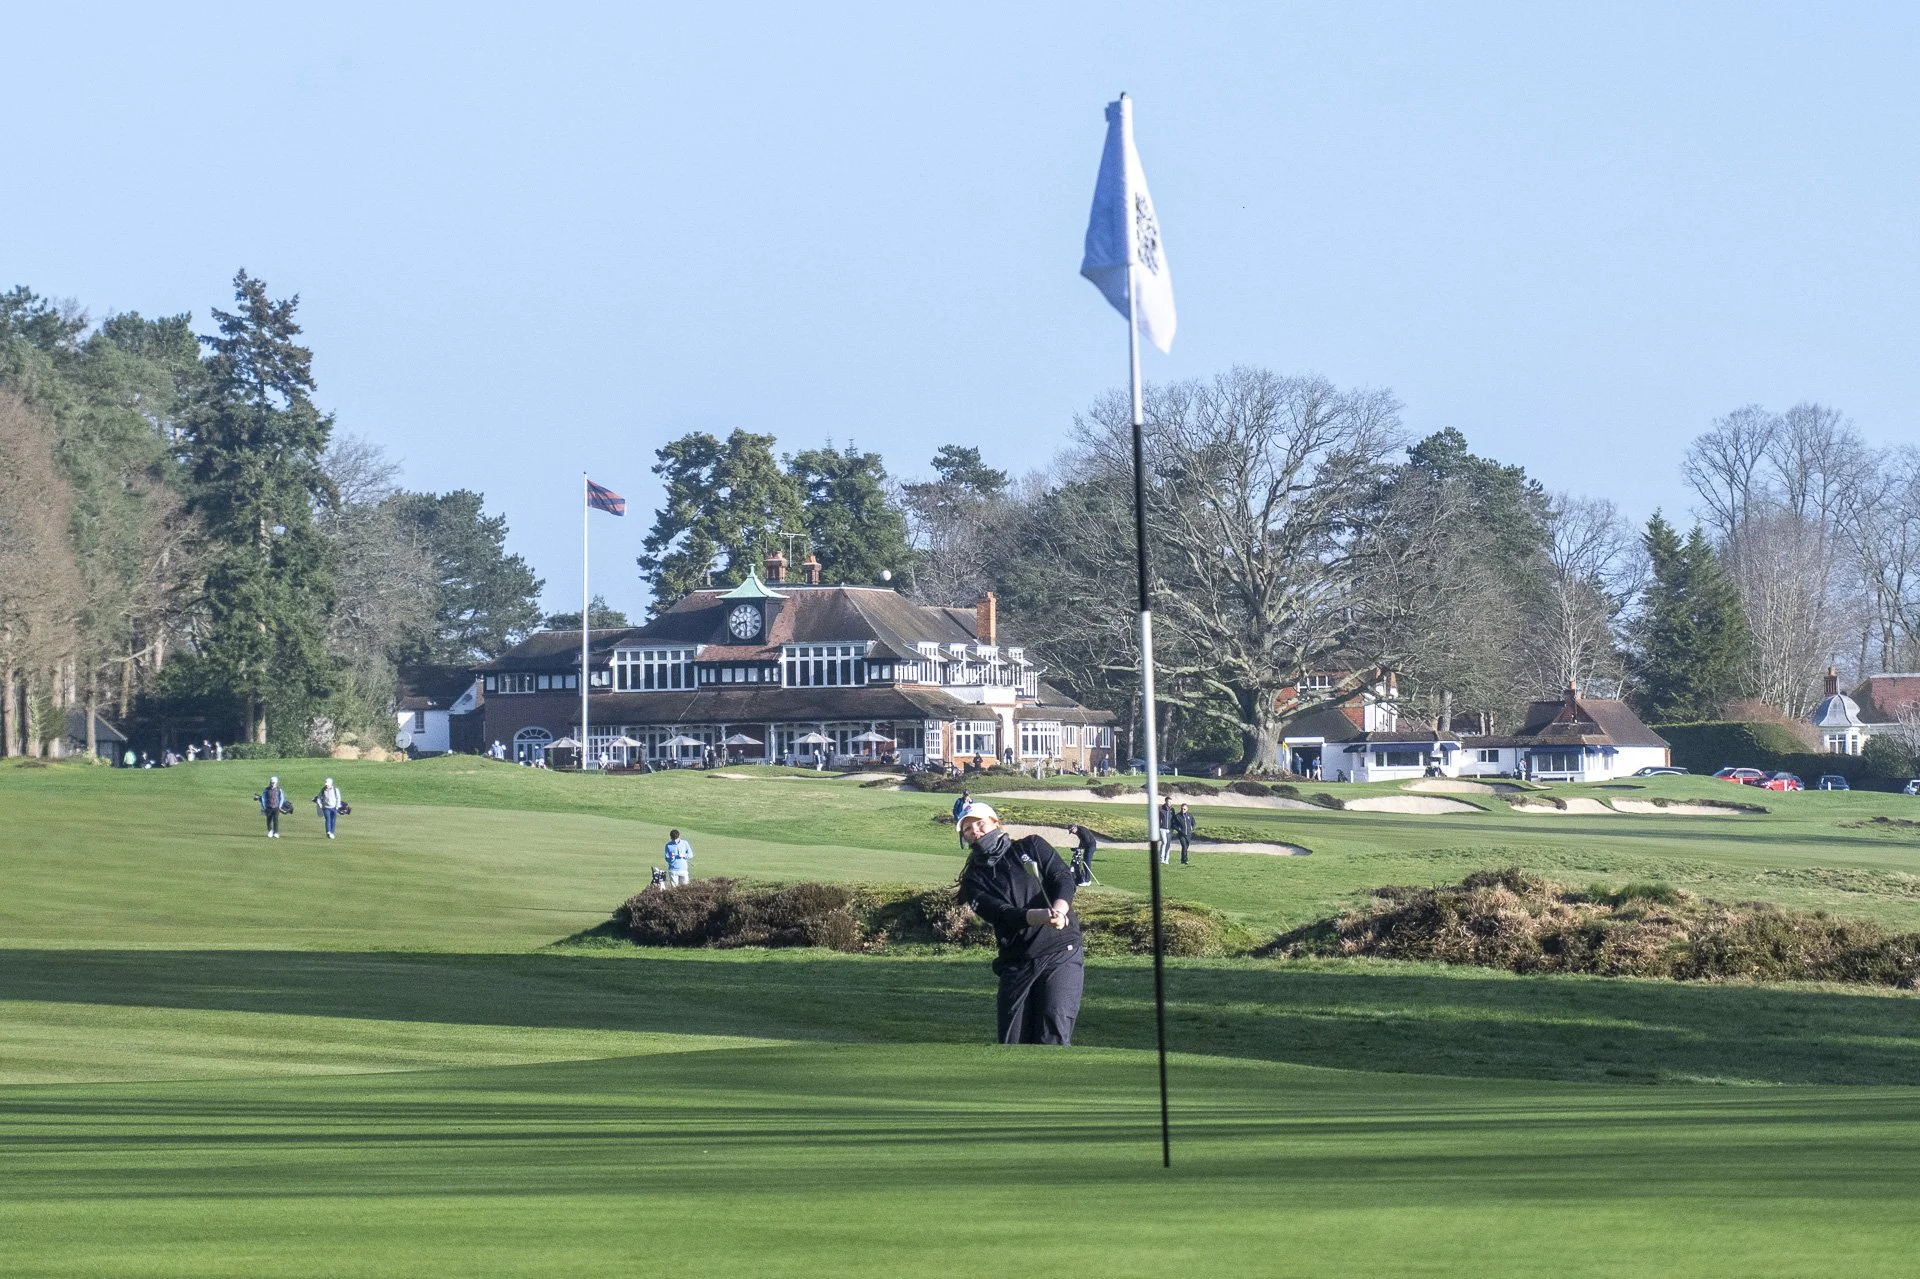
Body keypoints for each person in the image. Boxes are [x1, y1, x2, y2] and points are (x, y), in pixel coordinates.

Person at [957, 802, 1084, 1046]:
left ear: (995, 822)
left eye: (979, 823)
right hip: (1017, 962)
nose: (975, 831)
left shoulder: (1032, 846)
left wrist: (1059, 909)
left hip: (1060, 952)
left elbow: (1062, 878)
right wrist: (1040, 916)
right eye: (967, 829)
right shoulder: (974, 880)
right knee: (1013, 1044)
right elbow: (1003, 914)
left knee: (1052, 1036)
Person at [1156, 797, 1175, 864]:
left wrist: (1173, 827)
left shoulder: (1172, 809)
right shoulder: (1161, 808)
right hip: (1162, 828)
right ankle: (1162, 858)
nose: (1170, 803)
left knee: (1168, 844)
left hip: (1169, 829)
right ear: (1165, 801)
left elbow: (1173, 819)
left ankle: (1167, 859)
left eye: (1170, 802)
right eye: (1168, 801)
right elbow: (1157, 819)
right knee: (1164, 842)